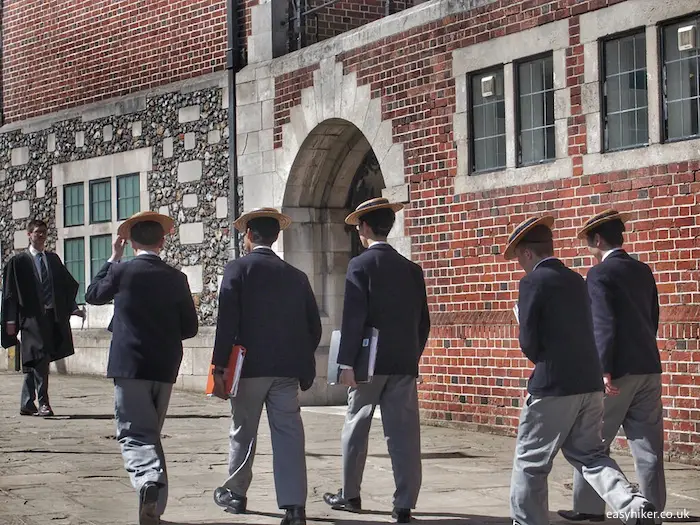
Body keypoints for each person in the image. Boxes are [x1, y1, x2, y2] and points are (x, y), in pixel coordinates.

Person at [505, 215, 656, 525]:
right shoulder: (576, 279)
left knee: (531, 462)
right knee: (591, 455)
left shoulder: (532, 281)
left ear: (527, 253)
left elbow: (530, 345)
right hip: (588, 384)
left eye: (518, 257)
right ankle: (633, 506)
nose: (519, 264)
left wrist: (522, 323)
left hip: (552, 386)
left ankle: (526, 521)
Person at [85, 211, 198, 525]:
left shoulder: (122, 272)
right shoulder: (177, 277)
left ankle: (148, 479)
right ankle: (153, 512)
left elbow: (93, 295)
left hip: (130, 363)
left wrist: (112, 259)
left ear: (130, 241)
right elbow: (190, 327)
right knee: (151, 434)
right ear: (162, 240)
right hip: (165, 365)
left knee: (134, 435)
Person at [323, 197, 431, 524]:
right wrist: (412, 355)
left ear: (366, 228)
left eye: (359, 226)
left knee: (356, 426)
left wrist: (345, 364)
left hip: (366, 364)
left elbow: (354, 317)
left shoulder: (360, 265)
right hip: (403, 362)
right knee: (404, 435)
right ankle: (404, 505)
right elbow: (423, 322)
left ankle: (350, 494)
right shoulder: (412, 270)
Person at [210, 207, 321, 525]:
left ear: (248, 235)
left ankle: (236, 494)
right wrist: (298, 356)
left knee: (244, 431)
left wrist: (219, 366)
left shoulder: (237, 270)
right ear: (276, 236)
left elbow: (226, 323)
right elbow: (314, 328)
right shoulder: (296, 276)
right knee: (289, 434)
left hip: (247, 368)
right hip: (287, 370)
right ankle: (295, 507)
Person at [558, 209, 665, 523]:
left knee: (591, 441)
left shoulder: (599, 274)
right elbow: (652, 317)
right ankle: (654, 511)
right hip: (648, 365)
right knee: (648, 446)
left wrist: (603, 368)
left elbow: (602, 323)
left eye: (589, 242)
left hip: (617, 371)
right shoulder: (643, 270)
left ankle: (589, 508)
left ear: (598, 239)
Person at [1, 218, 84, 417]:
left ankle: (27, 403)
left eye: (43, 232)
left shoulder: (53, 260)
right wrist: (10, 322)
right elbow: (10, 294)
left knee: (35, 359)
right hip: (29, 318)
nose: (41, 235)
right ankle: (44, 403)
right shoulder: (18, 263)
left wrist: (73, 308)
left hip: (50, 316)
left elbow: (65, 288)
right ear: (29, 235)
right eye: (37, 232)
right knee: (41, 357)